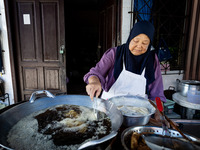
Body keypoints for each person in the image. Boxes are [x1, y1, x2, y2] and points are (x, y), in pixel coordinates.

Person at [83, 21, 167, 122]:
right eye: (136, 40)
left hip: (138, 115)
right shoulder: (114, 54)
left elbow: (157, 94)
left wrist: (159, 112)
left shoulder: (152, 60)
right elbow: (95, 73)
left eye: (145, 43)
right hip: (110, 110)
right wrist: (94, 82)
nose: (139, 46)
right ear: (130, 37)